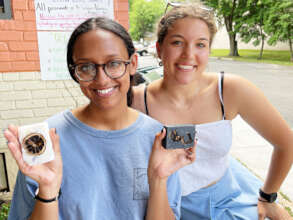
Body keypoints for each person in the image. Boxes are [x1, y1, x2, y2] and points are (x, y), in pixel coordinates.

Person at [4, 17, 196, 220]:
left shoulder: (158, 139)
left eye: (113, 64)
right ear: (75, 72)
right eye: (86, 67)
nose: (102, 79)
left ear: (133, 64)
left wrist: (157, 179)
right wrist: (48, 191)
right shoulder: (46, 141)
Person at [132, 2, 293, 220]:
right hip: (159, 206)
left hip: (223, 204)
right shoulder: (135, 101)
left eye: (200, 44)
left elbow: (286, 142)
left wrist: (268, 197)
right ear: (159, 49)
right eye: (177, 42)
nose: (189, 55)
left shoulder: (230, 90)